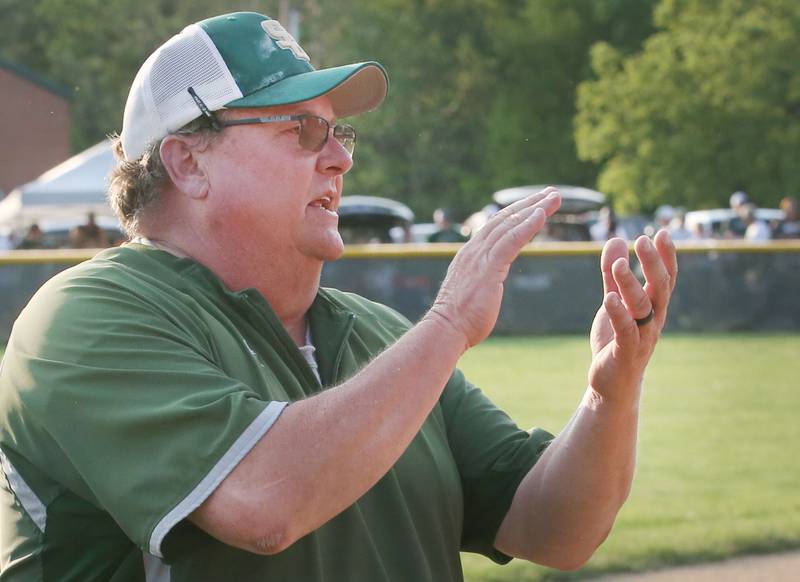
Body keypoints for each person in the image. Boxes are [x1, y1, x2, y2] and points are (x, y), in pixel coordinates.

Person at [0, 12, 677, 582]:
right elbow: (263, 505)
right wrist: (448, 323)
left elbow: (555, 529)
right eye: (301, 130)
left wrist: (610, 395)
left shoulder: (378, 332)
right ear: (188, 162)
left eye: (339, 132)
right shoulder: (84, 318)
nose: (341, 159)